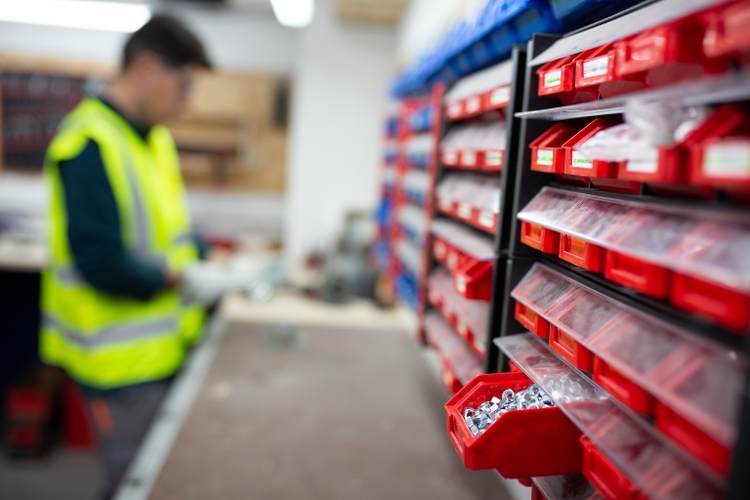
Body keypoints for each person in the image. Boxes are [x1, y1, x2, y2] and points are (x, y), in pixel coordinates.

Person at [40, 14, 221, 499]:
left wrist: (202, 253)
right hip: (116, 364)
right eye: (184, 84)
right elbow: (101, 264)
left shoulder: (153, 139)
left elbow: (169, 231)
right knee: (138, 484)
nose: (188, 99)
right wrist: (184, 276)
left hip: (162, 350)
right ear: (146, 68)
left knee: (160, 475)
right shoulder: (88, 143)